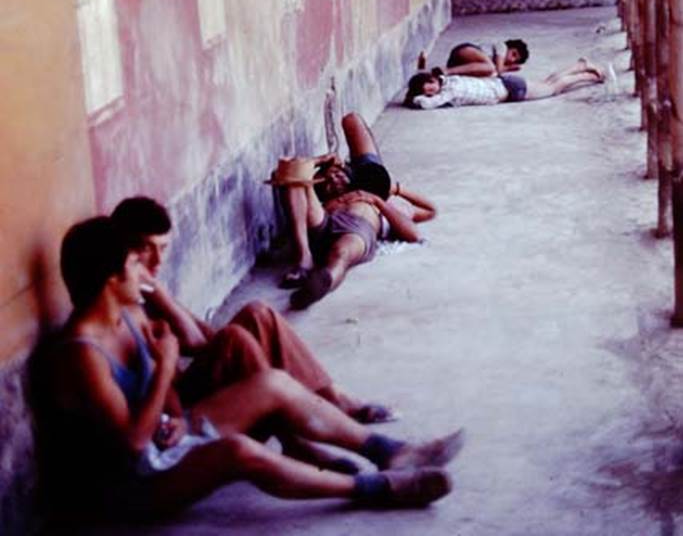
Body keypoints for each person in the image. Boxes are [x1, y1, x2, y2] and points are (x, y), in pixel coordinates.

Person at [45, 217, 463, 521]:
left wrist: (173, 409)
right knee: (239, 453)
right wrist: (165, 368)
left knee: (274, 384)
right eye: (136, 264)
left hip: (162, 437)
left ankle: (389, 452)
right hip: (134, 485)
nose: (146, 271)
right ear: (110, 278)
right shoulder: (82, 353)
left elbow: (167, 389)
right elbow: (134, 446)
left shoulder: (129, 316)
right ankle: (375, 489)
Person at [110, 195, 392, 424]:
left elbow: (206, 334)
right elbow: (195, 343)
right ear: (128, 251)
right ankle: (297, 421)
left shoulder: (141, 284)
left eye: (164, 248)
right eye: (149, 249)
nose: (159, 259)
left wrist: (236, 339)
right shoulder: (128, 293)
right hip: (176, 408)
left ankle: (331, 395)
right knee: (238, 337)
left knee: (257, 314)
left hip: (182, 386)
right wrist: (158, 292)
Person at [271, 113, 436, 307]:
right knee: (295, 178)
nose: (333, 180)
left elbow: (425, 217)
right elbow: (288, 170)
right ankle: (304, 257)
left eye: (337, 175)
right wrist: (321, 159)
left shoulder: (379, 201)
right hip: (323, 220)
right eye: (328, 180)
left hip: (356, 229)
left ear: (350, 176)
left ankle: (322, 283)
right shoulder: (326, 201)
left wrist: (385, 195)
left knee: (342, 253)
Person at [404, 59, 605, 109]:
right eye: (427, 92)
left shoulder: (449, 91)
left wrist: (415, 98)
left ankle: (589, 76)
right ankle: (580, 65)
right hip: (505, 84)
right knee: (549, 82)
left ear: (432, 80)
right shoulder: (450, 81)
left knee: (553, 88)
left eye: (429, 87)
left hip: (510, 89)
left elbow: (428, 104)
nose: (430, 92)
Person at [418, 38, 529, 78]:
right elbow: (499, 70)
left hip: (461, 63)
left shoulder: (493, 64)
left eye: (516, 60)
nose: (512, 59)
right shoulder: (502, 47)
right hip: (465, 50)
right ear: (510, 47)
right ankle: (446, 71)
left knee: (488, 71)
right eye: (513, 54)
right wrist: (509, 68)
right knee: (491, 68)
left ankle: (444, 72)